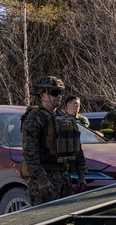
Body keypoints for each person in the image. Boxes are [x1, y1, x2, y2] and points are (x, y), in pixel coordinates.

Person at [21, 76, 87, 206]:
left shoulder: (65, 118)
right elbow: (30, 153)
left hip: (64, 178)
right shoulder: (34, 118)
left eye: (60, 93)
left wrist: (82, 174)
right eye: (54, 93)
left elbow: (77, 148)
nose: (59, 96)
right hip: (46, 180)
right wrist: (41, 179)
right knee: (44, 220)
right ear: (42, 94)